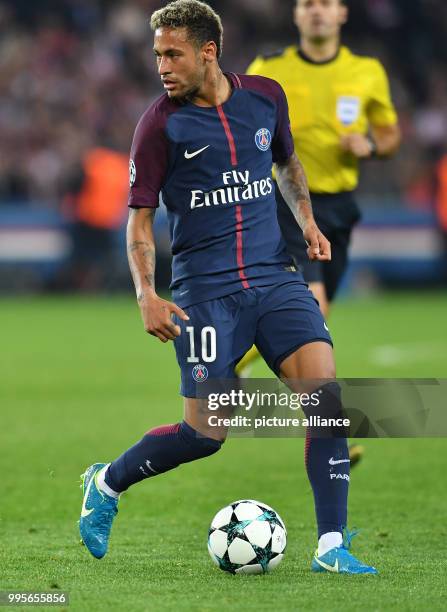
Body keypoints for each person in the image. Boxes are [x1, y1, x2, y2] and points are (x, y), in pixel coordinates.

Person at [79, 0, 377, 575]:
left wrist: (308, 222)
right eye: (157, 54)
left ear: (208, 51)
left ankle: (332, 546)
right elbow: (139, 220)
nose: (161, 65)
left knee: (326, 404)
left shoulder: (265, 96)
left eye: (173, 53)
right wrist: (146, 292)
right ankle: (107, 482)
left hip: (274, 279)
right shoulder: (160, 125)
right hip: (204, 294)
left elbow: (287, 164)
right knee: (205, 433)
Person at [238, 0, 400, 377]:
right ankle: (329, 428)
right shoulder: (269, 68)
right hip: (286, 202)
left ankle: (237, 360)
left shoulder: (366, 71)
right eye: (307, 4)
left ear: (342, 13)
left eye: (326, 3)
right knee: (313, 310)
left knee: (313, 310)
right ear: (296, 15)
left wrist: (371, 145)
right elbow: (240, 122)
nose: (316, 11)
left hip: (340, 205)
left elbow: (390, 133)